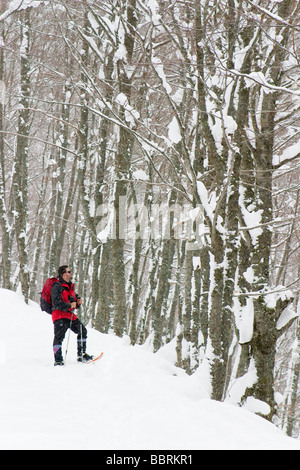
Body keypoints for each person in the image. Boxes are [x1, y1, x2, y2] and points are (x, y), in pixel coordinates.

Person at [51, 265, 93, 366]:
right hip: (59, 315)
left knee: (82, 330)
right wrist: (69, 305)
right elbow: (56, 303)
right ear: (64, 274)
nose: (71, 273)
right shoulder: (57, 286)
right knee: (59, 337)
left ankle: (81, 354)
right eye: (69, 272)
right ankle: (58, 360)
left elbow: (73, 301)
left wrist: (77, 302)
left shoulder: (70, 287)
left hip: (69, 315)